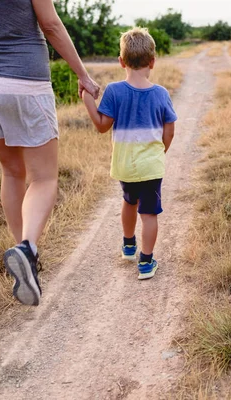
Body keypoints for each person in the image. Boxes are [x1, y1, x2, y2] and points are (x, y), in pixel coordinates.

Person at [0, 0, 100, 306]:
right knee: (43, 178)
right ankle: (27, 248)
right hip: (24, 82)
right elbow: (51, 24)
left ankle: (23, 256)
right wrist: (83, 75)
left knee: (11, 171)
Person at [82, 27, 177, 280]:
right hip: (150, 166)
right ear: (152, 62)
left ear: (121, 61)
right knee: (149, 213)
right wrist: (161, 151)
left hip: (125, 164)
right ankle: (146, 263)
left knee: (129, 201)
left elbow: (103, 126)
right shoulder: (161, 94)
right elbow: (170, 130)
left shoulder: (114, 91)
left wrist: (88, 102)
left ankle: (128, 245)